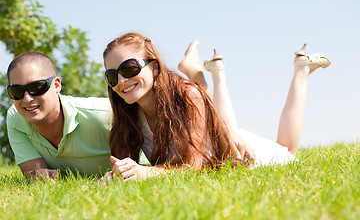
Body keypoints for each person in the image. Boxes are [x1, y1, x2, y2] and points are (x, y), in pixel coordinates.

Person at [101, 32, 330, 182]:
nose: (121, 81)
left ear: (155, 67)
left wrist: (147, 172)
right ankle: (212, 74)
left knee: (288, 150)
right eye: (112, 76)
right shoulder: (128, 114)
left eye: (129, 68)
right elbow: (133, 167)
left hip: (249, 157)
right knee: (211, 107)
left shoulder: (186, 95)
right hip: (222, 136)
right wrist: (117, 176)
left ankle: (301, 71)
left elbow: (191, 168)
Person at [6, 52, 114, 180]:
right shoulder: (16, 118)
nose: (27, 99)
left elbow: (139, 164)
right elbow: (36, 175)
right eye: (16, 92)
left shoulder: (105, 114)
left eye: (36, 87)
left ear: (56, 85)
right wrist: (39, 177)